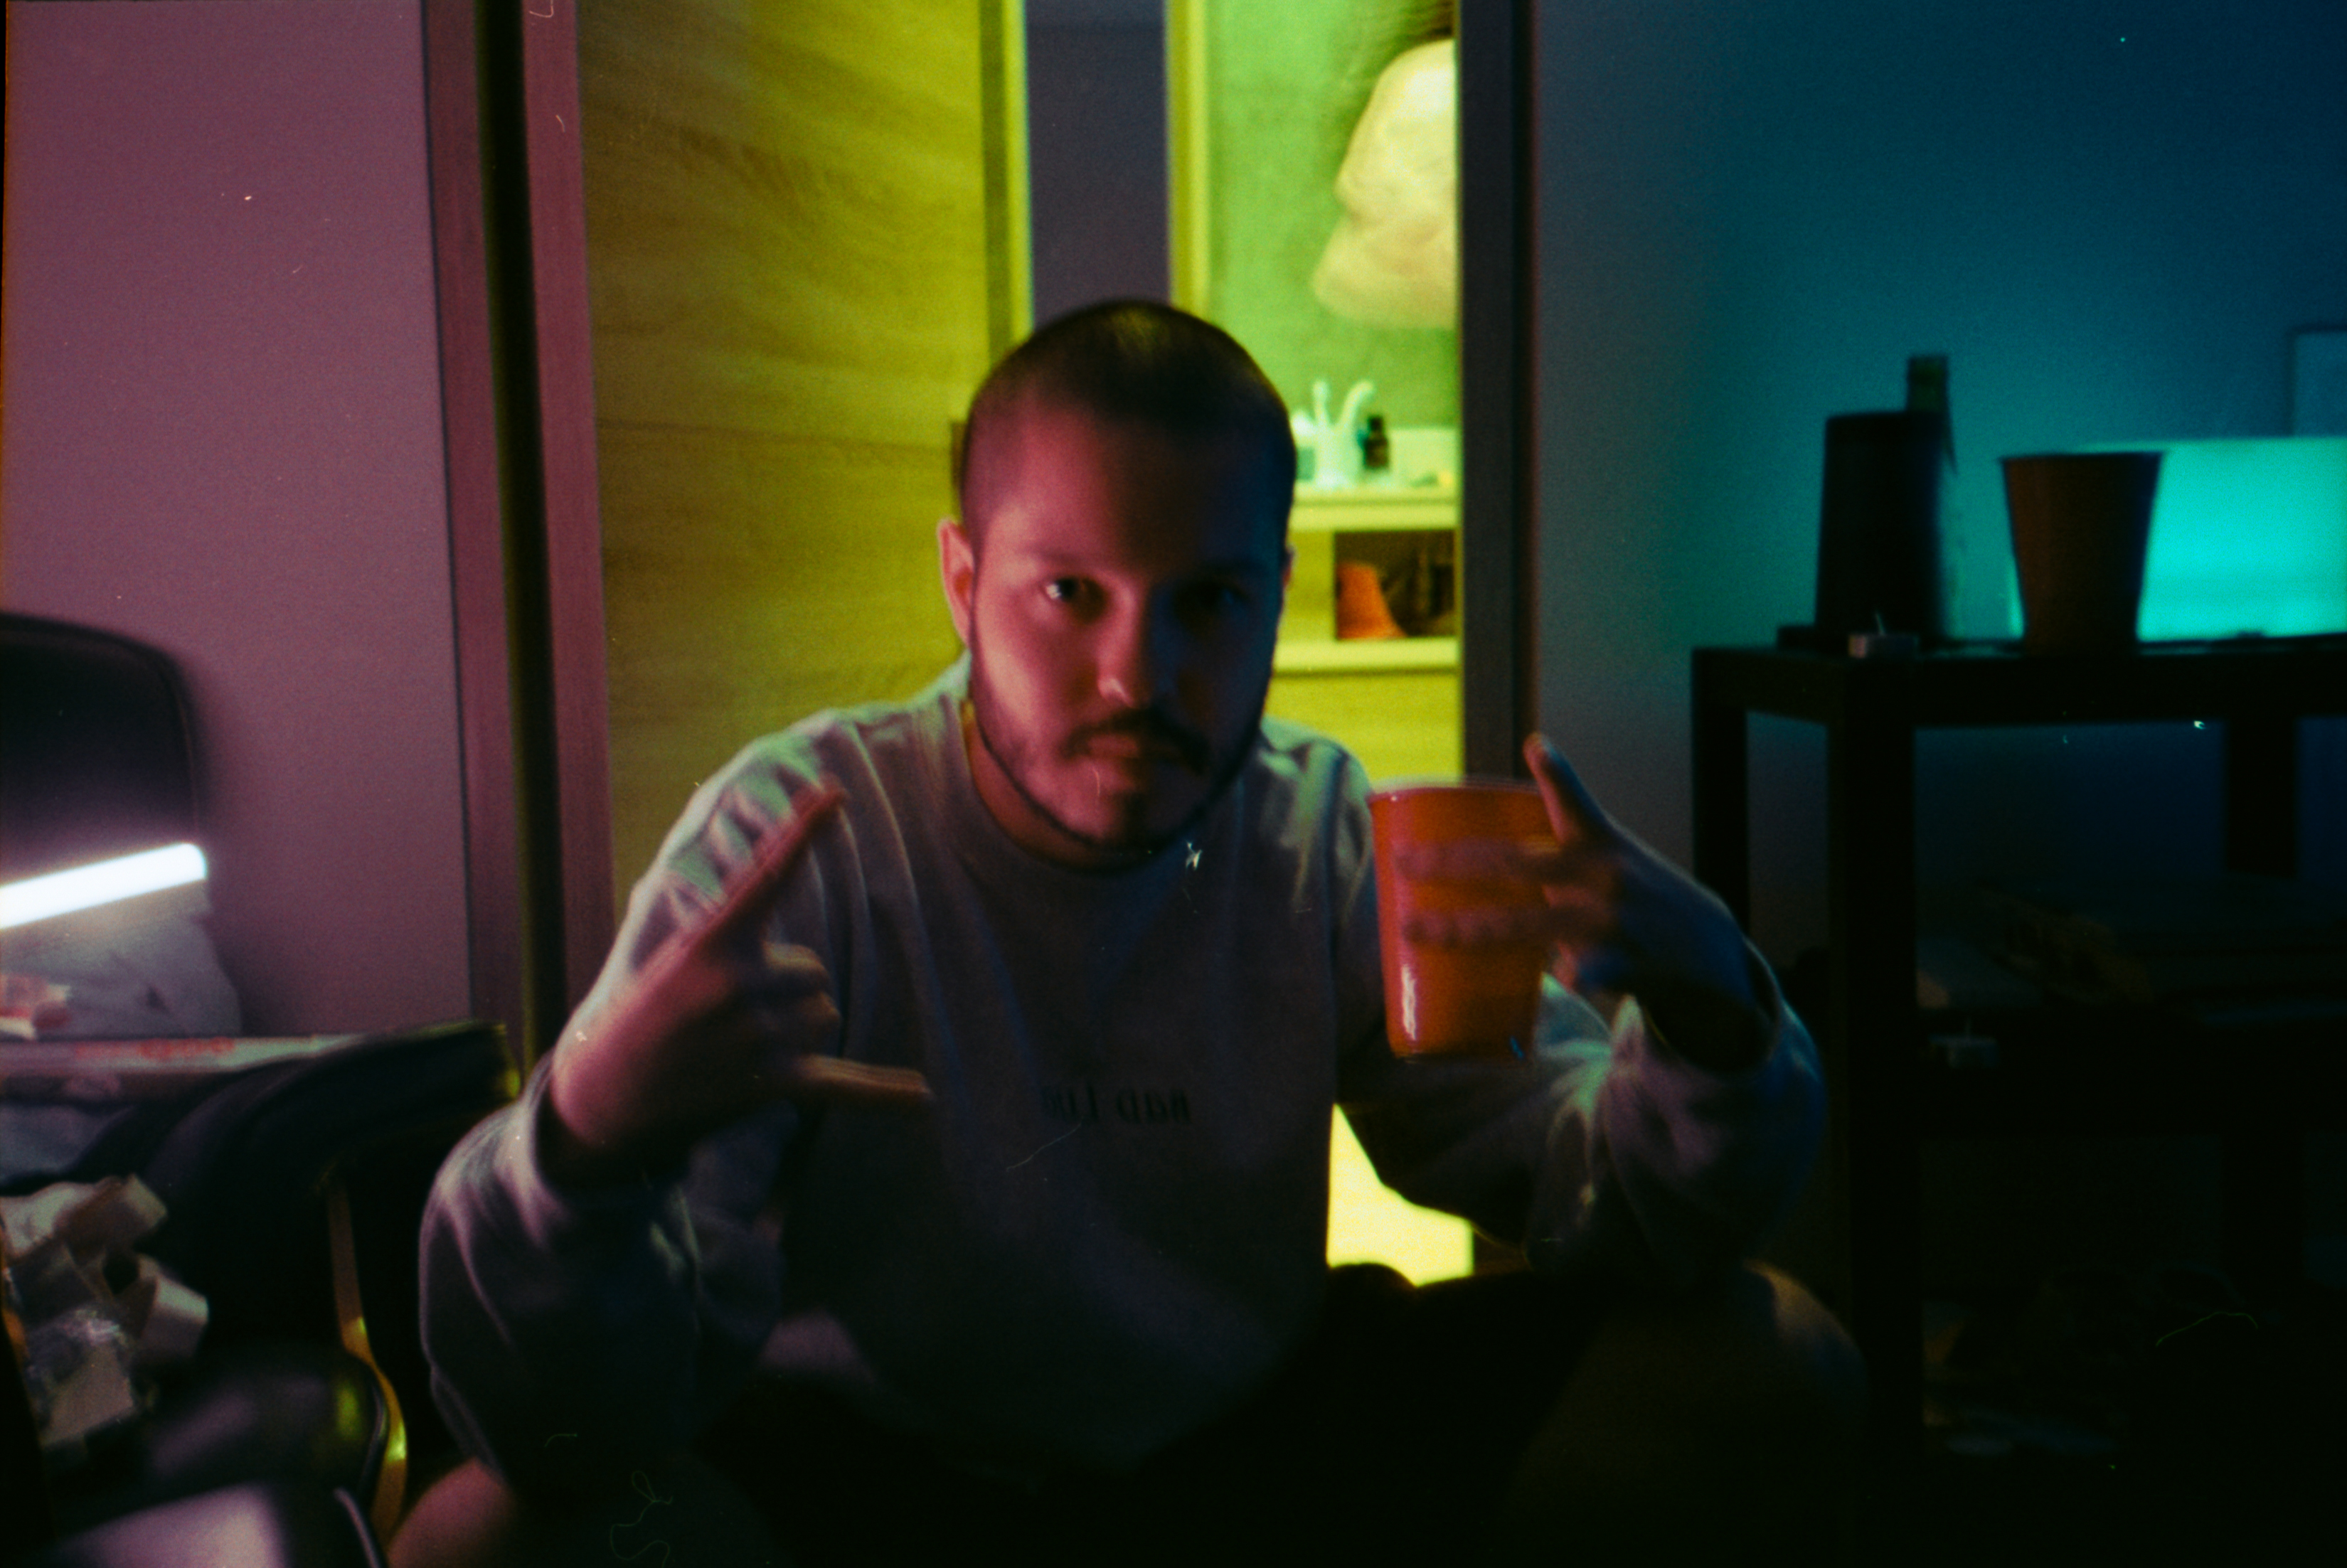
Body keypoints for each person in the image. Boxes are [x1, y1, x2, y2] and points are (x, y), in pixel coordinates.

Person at [393, 301, 1860, 1567]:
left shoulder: (1319, 833)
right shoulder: (800, 841)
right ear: (961, 581)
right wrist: (581, 1148)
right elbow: (552, 1415)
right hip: (867, 1474)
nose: (1135, 675)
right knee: (478, 1537)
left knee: (1776, 1364)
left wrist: (1714, 1021)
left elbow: (1608, 1207)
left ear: (1277, 594)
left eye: (1207, 600)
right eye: (1068, 593)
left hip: (1246, 1448)